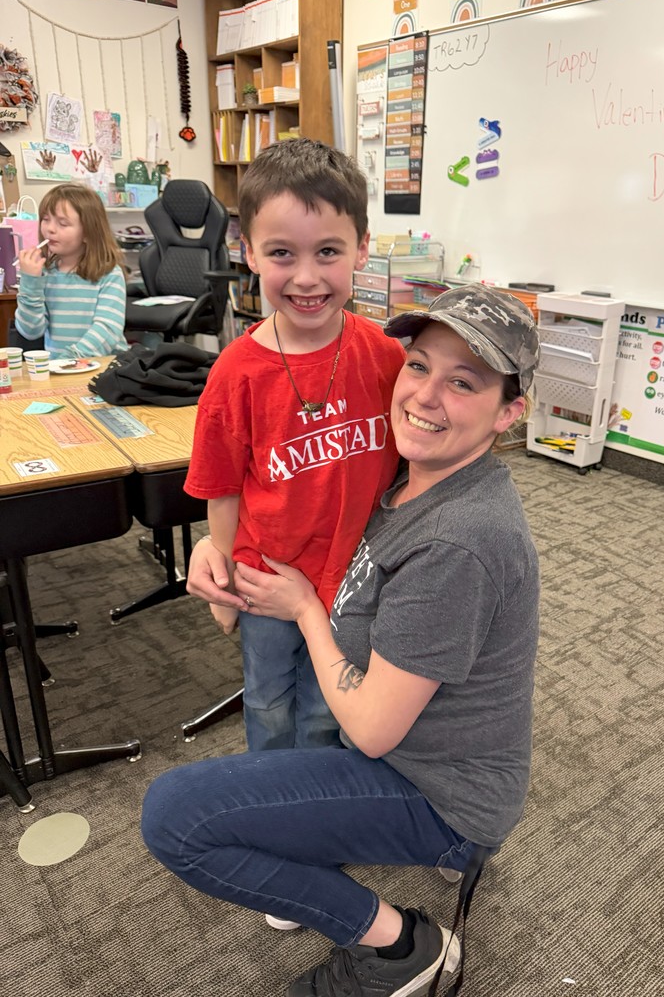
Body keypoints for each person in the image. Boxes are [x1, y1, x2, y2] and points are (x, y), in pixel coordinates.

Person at [142, 283, 541, 997]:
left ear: (509, 412)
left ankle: (404, 947)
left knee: (177, 818)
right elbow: (303, 491)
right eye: (418, 366)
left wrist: (305, 611)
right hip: (420, 759)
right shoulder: (411, 479)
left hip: (438, 794)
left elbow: (372, 729)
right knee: (233, 782)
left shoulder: (459, 540)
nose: (424, 395)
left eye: (464, 382)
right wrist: (218, 543)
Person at [183, 138, 405, 752]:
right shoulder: (235, 373)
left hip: (357, 577)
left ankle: (316, 799)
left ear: (362, 248)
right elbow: (222, 488)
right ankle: (274, 798)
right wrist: (224, 577)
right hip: (267, 580)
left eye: (328, 251)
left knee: (328, 711)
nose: (307, 277)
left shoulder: (386, 356)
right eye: (282, 252)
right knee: (269, 704)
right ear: (249, 252)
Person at [13, 182, 127, 357]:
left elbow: (107, 330)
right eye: (45, 219)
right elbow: (31, 331)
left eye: (63, 223)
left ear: (88, 232)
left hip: (104, 367)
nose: (50, 229)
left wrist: (69, 360)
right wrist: (29, 282)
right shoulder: (45, 273)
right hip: (60, 368)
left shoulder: (110, 274)